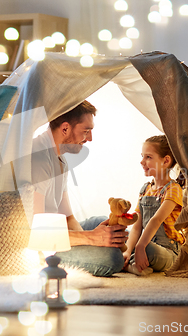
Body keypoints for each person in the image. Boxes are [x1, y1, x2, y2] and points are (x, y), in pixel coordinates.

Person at [31, 100, 128, 277]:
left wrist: (95, 238)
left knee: (109, 225)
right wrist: (92, 238)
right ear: (65, 128)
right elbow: (36, 233)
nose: (90, 138)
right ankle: (128, 257)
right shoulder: (38, 159)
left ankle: (134, 252)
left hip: (58, 232)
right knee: (112, 259)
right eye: (86, 131)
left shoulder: (60, 161)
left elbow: (68, 218)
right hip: (40, 244)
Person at [123, 135, 185, 276]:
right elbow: (137, 226)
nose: (142, 161)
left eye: (148, 157)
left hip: (167, 250)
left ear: (166, 161)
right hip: (144, 242)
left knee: (148, 249)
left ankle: (130, 265)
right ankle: (132, 262)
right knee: (121, 241)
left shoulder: (173, 189)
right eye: (142, 156)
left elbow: (156, 220)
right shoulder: (146, 189)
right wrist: (127, 250)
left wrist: (140, 246)